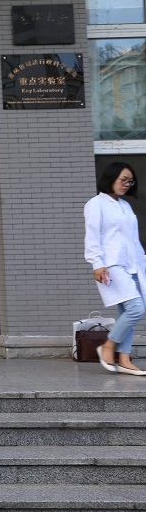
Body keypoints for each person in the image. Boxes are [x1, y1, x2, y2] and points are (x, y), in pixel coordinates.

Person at [84, 161, 146, 376]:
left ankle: (124, 360)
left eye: (130, 181)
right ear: (111, 178)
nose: (127, 184)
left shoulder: (125, 205)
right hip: (111, 265)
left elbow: (132, 240)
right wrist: (97, 263)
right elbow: (92, 236)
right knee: (136, 309)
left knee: (127, 313)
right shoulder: (96, 204)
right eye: (123, 180)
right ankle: (108, 346)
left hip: (133, 265)